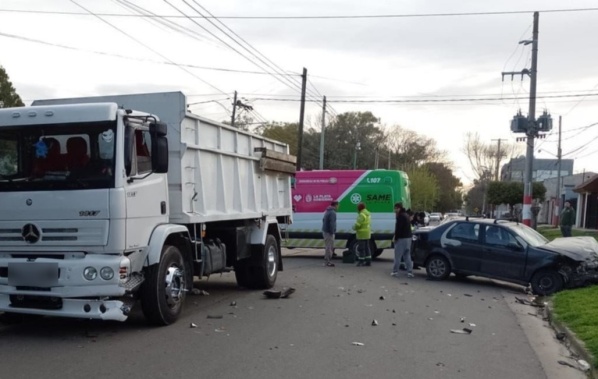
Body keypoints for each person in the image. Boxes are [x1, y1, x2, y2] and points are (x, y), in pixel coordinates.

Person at [392, 202, 414, 278]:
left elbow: (398, 229)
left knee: (397, 255)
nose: (394, 210)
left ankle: (395, 271)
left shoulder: (400, 216)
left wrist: (396, 238)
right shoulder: (406, 215)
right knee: (407, 255)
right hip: (408, 238)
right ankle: (410, 272)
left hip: (402, 238)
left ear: (399, 208)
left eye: (395, 208)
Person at [352, 202, 372, 266]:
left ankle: (361, 261)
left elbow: (358, 225)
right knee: (367, 248)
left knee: (361, 248)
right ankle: (368, 261)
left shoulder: (361, 215)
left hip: (362, 234)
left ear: (359, 208)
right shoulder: (368, 214)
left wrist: (353, 227)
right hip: (367, 233)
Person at [322, 200, 339, 267]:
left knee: (327, 246)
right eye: (338, 205)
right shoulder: (332, 213)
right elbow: (332, 223)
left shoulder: (327, 211)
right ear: (335, 205)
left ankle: (327, 260)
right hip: (329, 232)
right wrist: (332, 232)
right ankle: (328, 262)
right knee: (329, 247)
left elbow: (323, 220)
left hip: (325, 231)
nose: (338, 207)